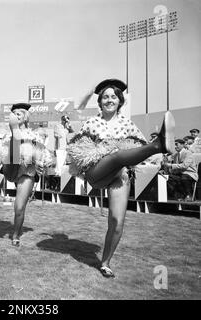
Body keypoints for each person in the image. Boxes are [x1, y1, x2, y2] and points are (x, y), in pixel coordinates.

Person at [67, 79, 175, 278]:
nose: (109, 100)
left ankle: (105, 263)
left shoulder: (127, 124)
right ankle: (158, 144)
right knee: (116, 155)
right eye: (105, 97)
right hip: (96, 173)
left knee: (117, 221)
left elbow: (139, 148)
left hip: (119, 175)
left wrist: (150, 159)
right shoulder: (92, 122)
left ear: (119, 101)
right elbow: (75, 145)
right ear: (100, 101)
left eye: (113, 97)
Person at [0, 103, 54, 246]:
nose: (16, 115)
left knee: (19, 206)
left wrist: (42, 162)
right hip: (12, 168)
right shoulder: (6, 136)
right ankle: (16, 141)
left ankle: (16, 235)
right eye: (13, 113)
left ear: (26, 117)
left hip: (27, 172)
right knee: (11, 154)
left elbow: (44, 154)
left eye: (19, 113)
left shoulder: (34, 134)